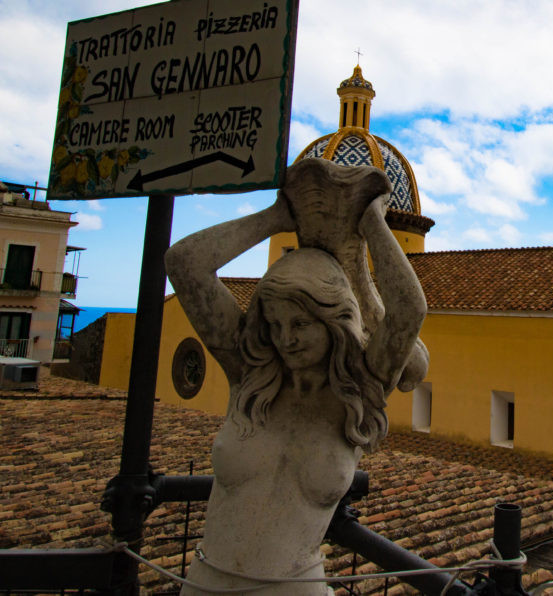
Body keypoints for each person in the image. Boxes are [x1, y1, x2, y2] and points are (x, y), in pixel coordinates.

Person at [166, 159, 428, 594]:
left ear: (334, 321)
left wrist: (372, 222)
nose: (285, 339)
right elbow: (184, 264)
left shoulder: (359, 390)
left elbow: (408, 311)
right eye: (275, 324)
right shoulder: (250, 373)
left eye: (301, 324)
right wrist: (274, 219)